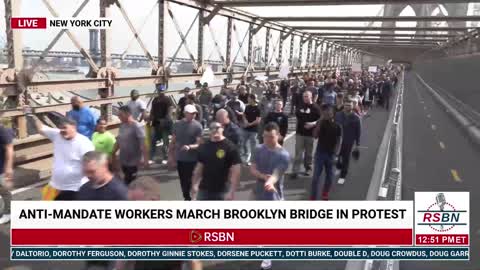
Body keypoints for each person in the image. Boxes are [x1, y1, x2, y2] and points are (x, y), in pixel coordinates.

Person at [249, 122, 290, 270]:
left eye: (271, 137)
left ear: (278, 136)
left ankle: (267, 257)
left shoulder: (283, 155)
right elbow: (252, 169)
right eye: (265, 137)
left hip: (274, 195)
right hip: (257, 192)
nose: (267, 140)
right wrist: (263, 177)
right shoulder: (258, 149)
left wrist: (270, 181)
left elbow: (277, 174)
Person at [34, 117, 94, 200]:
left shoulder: (84, 142)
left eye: (65, 127)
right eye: (60, 128)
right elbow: (40, 129)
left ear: (74, 127)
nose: (62, 130)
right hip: (55, 187)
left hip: (75, 188)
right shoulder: (57, 134)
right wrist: (30, 114)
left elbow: (91, 163)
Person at [191, 122, 242, 201]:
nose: (215, 130)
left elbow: (236, 170)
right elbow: (199, 168)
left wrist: (232, 190)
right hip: (204, 190)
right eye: (212, 128)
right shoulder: (204, 146)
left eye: (217, 127)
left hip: (223, 191)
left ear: (222, 128)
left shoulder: (230, 147)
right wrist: (194, 185)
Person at [170, 104, 203, 201]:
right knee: (184, 182)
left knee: (194, 181)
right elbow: (173, 141)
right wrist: (170, 157)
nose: (193, 115)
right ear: (185, 113)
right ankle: (187, 198)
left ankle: (194, 198)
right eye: (191, 113)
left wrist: (190, 146)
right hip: (181, 159)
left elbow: (199, 143)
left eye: (194, 113)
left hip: (193, 159)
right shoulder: (177, 124)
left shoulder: (198, 126)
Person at [311, 104, 342, 200]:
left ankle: (325, 193)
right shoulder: (321, 123)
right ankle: (313, 196)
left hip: (331, 155)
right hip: (320, 154)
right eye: (325, 112)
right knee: (316, 178)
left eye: (329, 112)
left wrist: (336, 154)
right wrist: (319, 122)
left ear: (333, 114)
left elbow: (339, 141)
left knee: (330, 178)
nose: (327, 114)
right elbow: (315, 135)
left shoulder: (338, 126)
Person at [112, 106, 148, 185]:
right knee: (125, 181)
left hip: (134, 161)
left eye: (120, 115)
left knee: (129, 183)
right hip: (123, 160)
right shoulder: (122, 126)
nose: (118, 117)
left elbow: (143, 144)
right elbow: (119, 139)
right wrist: (113, 151)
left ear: (127, 114)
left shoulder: (137, 126)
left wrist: (144, 159)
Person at [291, 91, 320, 179]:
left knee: (308, 154)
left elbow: (320, 120)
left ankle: (308, 168)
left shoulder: (316, 107)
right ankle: (295, 171)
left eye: (307, 96)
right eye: (304, 96)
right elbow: (298, 116)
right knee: (298, 154)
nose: (305, 98)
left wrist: (313, 124)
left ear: (311, 97)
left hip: (310, 135)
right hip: (300, 133)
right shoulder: (300, 106)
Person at [335, 100, 361, 185]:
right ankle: (339, 166)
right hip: (338, 140)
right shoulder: (338, 115)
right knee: (337, 155)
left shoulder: (356, 117)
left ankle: (343, 175)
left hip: (348, 141)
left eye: (349, 105)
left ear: (352, 106)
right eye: (346, 105)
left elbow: (358, 132)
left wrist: (357, 144)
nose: (347, 107)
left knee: (346, 158)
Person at [149, 89, 174, 164]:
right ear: (158, 92)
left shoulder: (168, 100)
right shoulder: (155, 100)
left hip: (164, 122)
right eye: (160, 91)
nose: (161, 92)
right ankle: (151, 157)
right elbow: (152, 110)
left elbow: (170, 110)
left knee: (165, 140)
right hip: (156, 122)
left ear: (164, 92)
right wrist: (150, 117)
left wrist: (166, 119)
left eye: (162, 91)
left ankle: (166, 157)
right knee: (153, 139)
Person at [241, 94, 261, 164]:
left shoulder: (258, 108)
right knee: (243, 143)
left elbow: (258, 120)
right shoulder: (247, 106)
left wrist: (250, 124)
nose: (247, 99)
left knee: (253, 145)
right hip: (246, 129)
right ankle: (247, 154)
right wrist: (245, 121)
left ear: (252, 99)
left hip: (254, 130)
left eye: (248, 98)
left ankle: (252, 160)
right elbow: (244, 115)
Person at [0, 125, 14, 224]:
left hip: (1, 168)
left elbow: (10, 149)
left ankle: (8, 213)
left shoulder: (3, 131)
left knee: (4, 192)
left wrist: (8, 167)